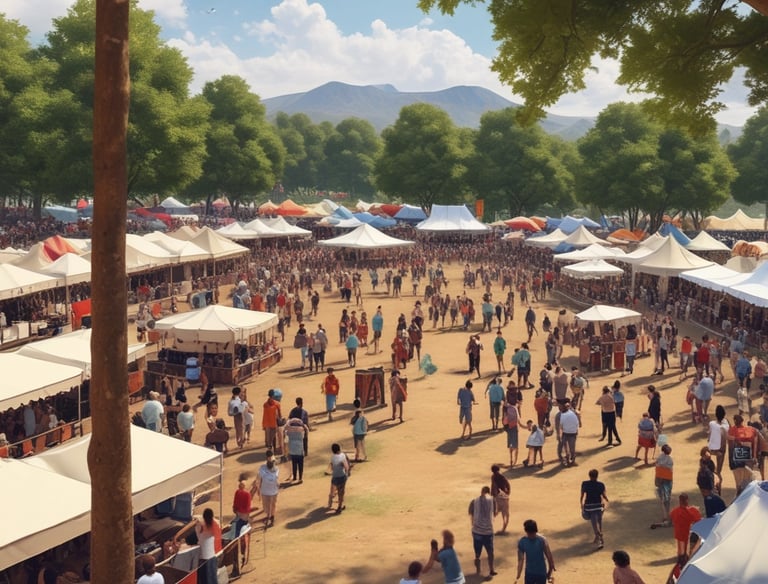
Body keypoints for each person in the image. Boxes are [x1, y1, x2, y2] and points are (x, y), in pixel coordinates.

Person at [468, 486, 497, 578]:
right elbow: (495, 513)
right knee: (490, 552)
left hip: (477, 531)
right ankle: (491, 569)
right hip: (488, 531)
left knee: (477, 553)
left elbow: (471, 513)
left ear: (481, 492)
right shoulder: (493, 501)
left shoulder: (474, 501)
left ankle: (478, 570)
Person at [515, 519, 555, 584]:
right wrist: (518, 574)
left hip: (541, 572)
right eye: (530, 533)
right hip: (530, 572)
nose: (531, 535)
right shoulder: (522, 542)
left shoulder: (542, 540)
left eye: (532, 533)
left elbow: (549, 556)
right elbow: (520, 560)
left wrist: (550, 570)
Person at [727, 413, 758, 495]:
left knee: (743, 478)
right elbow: (754, 443)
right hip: (742, 455)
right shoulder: (749, 430)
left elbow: (754, 441)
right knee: (743, 479)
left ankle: (743, 494)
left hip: (741, 455)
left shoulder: (748, 430)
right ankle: (743, 494)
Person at [580, 469, 609, 548]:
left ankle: (599, 537)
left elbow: (582, 495)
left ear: (589, 476)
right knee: (599, 522)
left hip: (589, 506)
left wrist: (581, 504)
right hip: (598, 506)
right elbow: (604, 496)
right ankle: (598, 537)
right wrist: (606, 501)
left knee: (594, 523)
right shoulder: (601, 484)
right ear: (597, 476)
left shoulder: (584, 484)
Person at [669, 493, 701, 561]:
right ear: (687, 500)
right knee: (686, 549)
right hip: (686, 533)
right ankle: (684, 558)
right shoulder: (691, 511)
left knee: (681, 548)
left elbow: (671, 518)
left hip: (678, 533)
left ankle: (681, 557)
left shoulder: (675, 511)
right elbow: (698, 519)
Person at [252, 452, 280, 527]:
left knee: (272, 504)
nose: (271, 461)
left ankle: (272, 517)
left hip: (273, 490)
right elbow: (259, 479)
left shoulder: (276, 469)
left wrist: (277, 484)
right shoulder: (262, 468)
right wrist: (258, 489)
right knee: (267, 506)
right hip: (265, 491)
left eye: (272, 460)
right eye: (269, 458)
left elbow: (276, 478)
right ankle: (269, 516)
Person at [195, 508, 222, 584]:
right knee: (212, 578)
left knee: (204, 579)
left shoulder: (200, 526)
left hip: (204, 558)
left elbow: (198, 536)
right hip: (214, 555)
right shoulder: (216, 524)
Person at [284, 417, 308, 482]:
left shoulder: (289, 432)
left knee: (294, 464)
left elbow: (285, 428)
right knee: (300, 465)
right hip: (300, 450)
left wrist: (288, 423)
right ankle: (300, 478)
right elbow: (306, 430)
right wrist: (303, 425)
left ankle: (294, 477)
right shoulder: (301, 432)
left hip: (292, 450)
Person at [655, 444, 674, 524]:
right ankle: (668, 515)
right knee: (668, 498)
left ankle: (665, 516)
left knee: (662, 499)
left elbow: (657, 466)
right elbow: (670, 469)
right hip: (668, 480)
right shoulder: (670, 460)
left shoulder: (659, 458)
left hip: (660, 479)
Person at [329, 443, 350, 514]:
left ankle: (331, 498)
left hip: (335, 476)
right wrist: (347, 474)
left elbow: (332, 467)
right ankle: (339, 507)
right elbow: (346, 467)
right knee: (341, 493)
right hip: (341, 476)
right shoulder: (342, 456)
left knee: (334, 488)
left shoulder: (332, 457)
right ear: (339, 449)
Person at [557, 401, 579, 467]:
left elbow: (561, 426)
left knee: (568, 449)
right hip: (570, 433)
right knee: (570, 448)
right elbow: (577, 423)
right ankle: (570, 461)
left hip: (567, 433)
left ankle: (570, 461)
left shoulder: (563, 415)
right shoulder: (572, 413)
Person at [490, 465, 511, 533]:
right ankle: (503, 529)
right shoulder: (499, 476)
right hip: (501, 496)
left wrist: (493, 495)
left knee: (495, 513)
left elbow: (493, 486)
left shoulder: (495, 476)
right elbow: (507, 484)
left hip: (498, 497)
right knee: (504, 513)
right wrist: (508, 492)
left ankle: (503, 529)